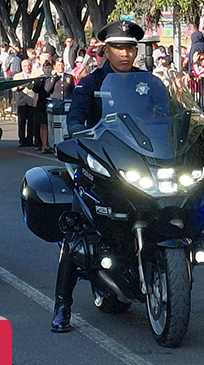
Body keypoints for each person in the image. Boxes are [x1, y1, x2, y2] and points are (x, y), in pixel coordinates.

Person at [54, 21, 147, 333]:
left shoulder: (146, 82)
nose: (125, 53)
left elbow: (168, 114)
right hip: (100, 170)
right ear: (106, 50)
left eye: (130, 47)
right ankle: (62, 306)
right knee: (77, 234)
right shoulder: (90, 84)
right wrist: (80, 134)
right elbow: (75, 120)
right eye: (119, 47)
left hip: (140, 168)